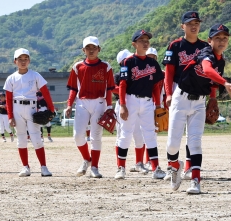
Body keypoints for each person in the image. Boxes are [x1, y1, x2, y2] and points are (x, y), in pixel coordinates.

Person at [164, 22, 231, 194]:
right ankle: (175, 165)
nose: (221, 41)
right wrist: (225, 83)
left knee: (195, 142)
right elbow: (208, 70)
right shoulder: (205, 53)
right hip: (181, 99)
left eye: (225, 38)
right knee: (172, 145)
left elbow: (212, 82)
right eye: (217, 38)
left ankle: (195, 181)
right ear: (210, 41)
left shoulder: (221, 61)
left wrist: (213, 99)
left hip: (199, 103)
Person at [162, 11, 209, 182]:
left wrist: (213, 97)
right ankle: (173, 165)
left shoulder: (205, 47)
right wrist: (168, 93)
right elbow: (168, 73)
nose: (193, 26)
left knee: (193, 136)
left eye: (196, 23)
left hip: (198, 92)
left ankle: (190, 168)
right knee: (174, 137)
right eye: (189, 23)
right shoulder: (175, 46)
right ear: (183, 26)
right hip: (178, 91)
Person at [115, 30, 165, 180]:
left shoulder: (153, 63)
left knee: (150, 134)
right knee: (125, 134)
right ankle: (120, 168)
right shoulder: (128, 62)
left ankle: (156, 168)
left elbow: (156, 86)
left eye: (147, 40)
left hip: (148, 102)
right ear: (134, 44)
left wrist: (158, 106)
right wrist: (123, 105)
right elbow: (123, 85)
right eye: (141, 40)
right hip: (131, 100)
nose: (145, 42)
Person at [64, 36, 115, 178]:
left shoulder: (106, 66)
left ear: (99, 49)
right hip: (82, 102)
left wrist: (109, 106)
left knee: (96, 136)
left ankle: (95, 167)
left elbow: (109, 89)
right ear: (83, 50)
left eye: (94, 48)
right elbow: (73, 88)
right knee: (78, 135)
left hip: (99, 102)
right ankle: (87, 159)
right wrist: (69, 105)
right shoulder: (78, 67)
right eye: (88, 48)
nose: (91, 50)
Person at [3, 48, 55, 177]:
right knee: (21, 138)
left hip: (32, 108)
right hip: (17, 108)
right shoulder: (11, 78)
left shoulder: (35, 75)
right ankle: (25, 167)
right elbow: (8, 99)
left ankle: (43, 167)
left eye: (25, 59)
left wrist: (51, 109)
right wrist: (10, 116)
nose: (23, 61)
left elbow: (45, 92)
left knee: (36, 138)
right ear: (15, 61)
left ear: (29, 60)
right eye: (20, 59)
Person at [114, 49, 148, 174]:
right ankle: (120, 166)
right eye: (126, 59)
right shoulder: (118, 76)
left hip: (137, 105)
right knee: (121, 136)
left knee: (139, 135)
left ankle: (139, 163)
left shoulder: (137, 73)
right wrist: (126, 91)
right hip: (121, 106)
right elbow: (112, 88)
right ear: (121, 62)